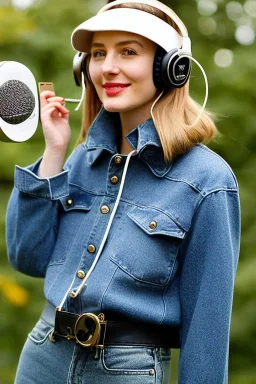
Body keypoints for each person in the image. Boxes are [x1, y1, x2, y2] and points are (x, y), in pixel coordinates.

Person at [6, 0, 241, 383]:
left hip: (127, 370)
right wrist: (54, 153)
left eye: (128, 51)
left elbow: (207, 329)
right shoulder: (82, 160)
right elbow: (27, 257)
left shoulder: (207, 180)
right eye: (98, 53)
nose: (108, 67)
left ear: (171, 67)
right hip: (41, 357)